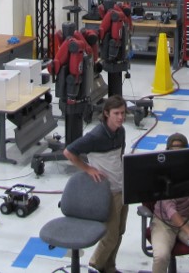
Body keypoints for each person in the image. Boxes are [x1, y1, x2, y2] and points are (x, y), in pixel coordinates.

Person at [63, 95, 127, 273]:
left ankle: (110, 267)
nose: (121, 117)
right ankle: (95, 266)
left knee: (119, 233)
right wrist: (88, 169)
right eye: (116, 113)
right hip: (108, 192)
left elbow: (120, 157)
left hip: (122, 188)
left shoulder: (121, 132)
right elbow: (68, 152)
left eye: (123, 113)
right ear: (106, 113)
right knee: (110, 237)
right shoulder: (96, 135)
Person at [150, 133, 189, 273]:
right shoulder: (163, 172)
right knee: (161, 256)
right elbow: (170, 210)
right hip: (164, 223)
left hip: (186, 219)